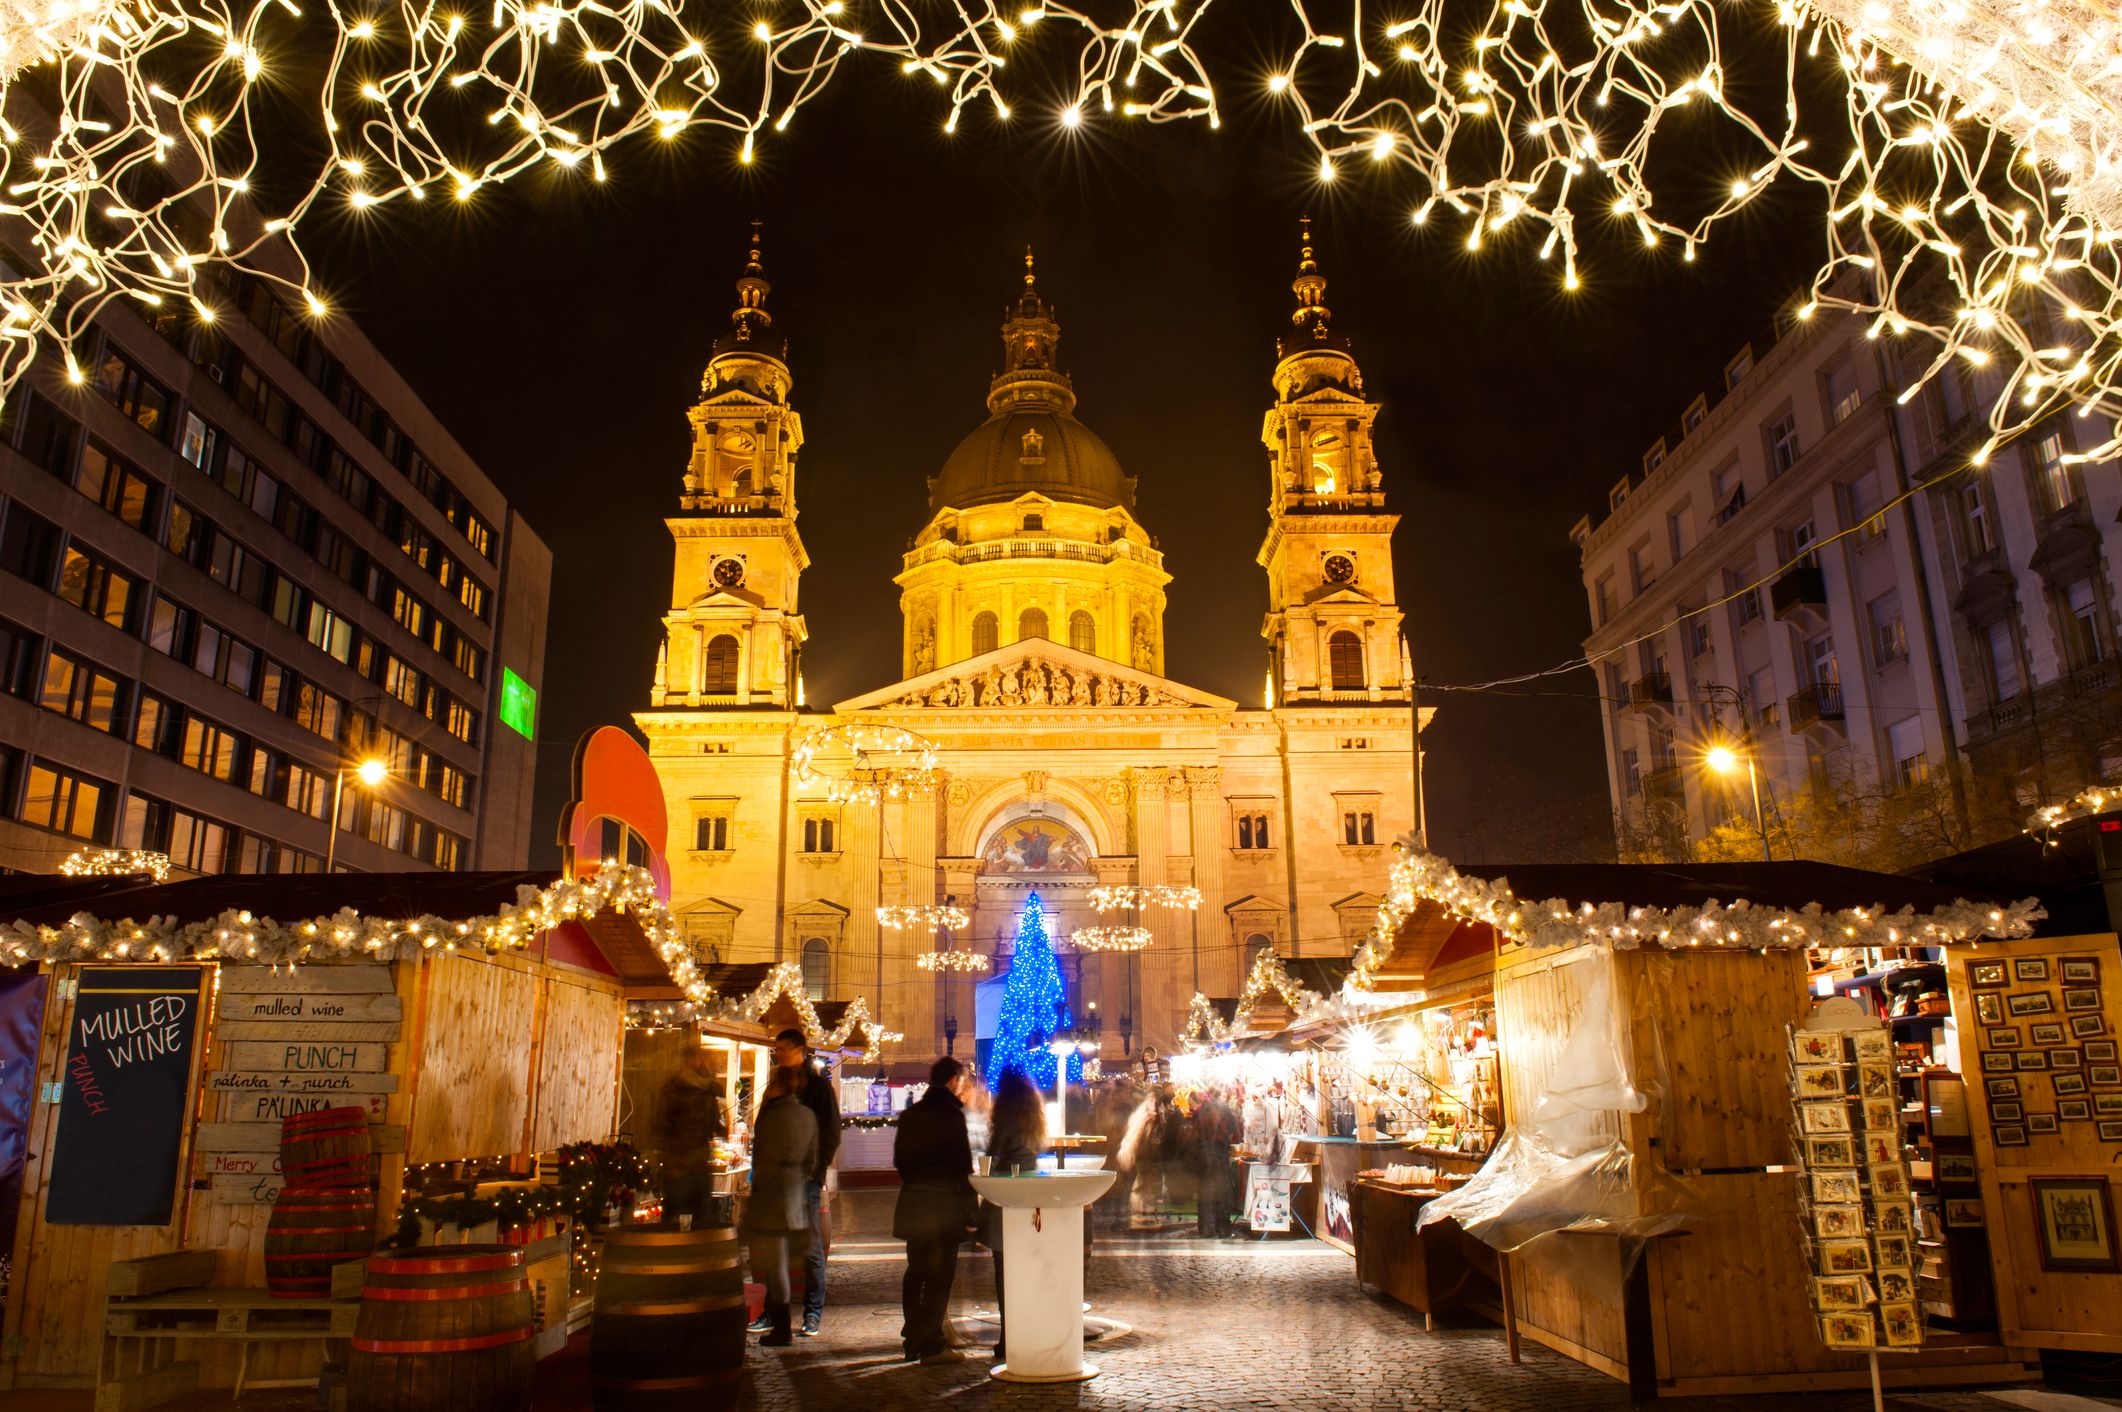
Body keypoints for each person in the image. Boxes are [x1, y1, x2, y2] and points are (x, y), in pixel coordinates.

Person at [748, 1028, 841, 1338]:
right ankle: (774, 1312)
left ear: (800, 1049)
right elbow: (762, 1132)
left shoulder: (817, 1087)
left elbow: (830, 1132)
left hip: (805, 1180)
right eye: (776, 1050)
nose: (778, 1054)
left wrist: (817, 1172)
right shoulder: (774, 1086)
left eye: (783, 1048)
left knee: (811, 1247)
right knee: (775, 1250)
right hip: (775, 1181)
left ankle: (812, 1313)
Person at [893, 1056, 977, 1364]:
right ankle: (929, 1343)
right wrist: (971, 1213)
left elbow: (900, 1162)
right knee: (940, 1277)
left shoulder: (911, 1114)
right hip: (944, 1206)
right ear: (954, 1080)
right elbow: (961, 1168)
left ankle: (912, 1338)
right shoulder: (951, 1116)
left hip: (914, 1202)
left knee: (916, 1273)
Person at [742, 1065, 819, 1347]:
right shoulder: (808, 1116)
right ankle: (799, 1318)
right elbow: (812, 1158)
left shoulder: (771, 1117)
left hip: (772, 1196)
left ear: (777, 1086)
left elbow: (759, 1156)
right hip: (795, 1194)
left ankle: (781, 1326)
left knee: (775, 1266)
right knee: (791, 1261)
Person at [980, 1070, 1046, 1365]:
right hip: (1030, 1198)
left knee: (1004, 1271)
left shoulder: (1005, 1118)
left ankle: (1009, 1337)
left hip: (1007, 1198)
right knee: (1026, 1270)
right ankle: (1029, 1330)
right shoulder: (1033, 1119)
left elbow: (993, 1157)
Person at [653, 1041, 726, 1229]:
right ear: (687, 1060)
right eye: (694, 1057)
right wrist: (668, 1161)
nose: (699, 1061)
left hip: (699, 1161)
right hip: (679, 1163)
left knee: (701, 1213)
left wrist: (718, 1127)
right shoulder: (675, 1088)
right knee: (678, 1214)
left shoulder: (707, 1089)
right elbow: (662, 1124)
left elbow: (712, 1122)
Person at [1193, 1086, 1242, 1238]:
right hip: (1220, 1155)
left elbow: (1194, 1132)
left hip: (1202, 1155)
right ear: (1220, 1095)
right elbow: (1236, 1133)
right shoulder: (1225, 1109)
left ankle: (1206, 1229)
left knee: (1205, 1192)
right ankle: (1223, 1228)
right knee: (1222, 1192)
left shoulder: (1201, 1109)